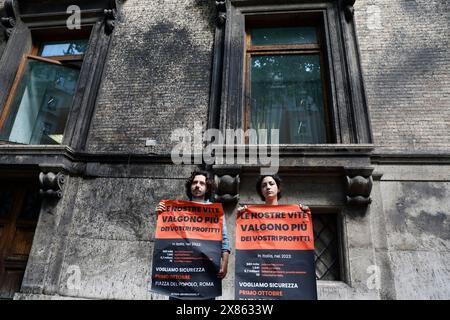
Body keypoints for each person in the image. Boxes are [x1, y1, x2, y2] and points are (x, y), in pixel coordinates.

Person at [156, 169, 231, 284]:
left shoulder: (215, 212)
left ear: (207, 188)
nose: (197, 186)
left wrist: (225, 264)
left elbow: (224, 240)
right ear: (190, 186)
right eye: (195, 182)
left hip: (206, 269)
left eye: (202, 183)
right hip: (181, 268)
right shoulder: (177, 210)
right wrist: (161, 216)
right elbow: (168, 234)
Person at [238, 174, 309, 211]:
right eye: (264, 185)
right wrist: (243, 214)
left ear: (278, 188)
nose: (268, 187)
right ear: (261, 191)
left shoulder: (289, 213)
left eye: (271, 184)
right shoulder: (253, 214)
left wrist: (302, 212)